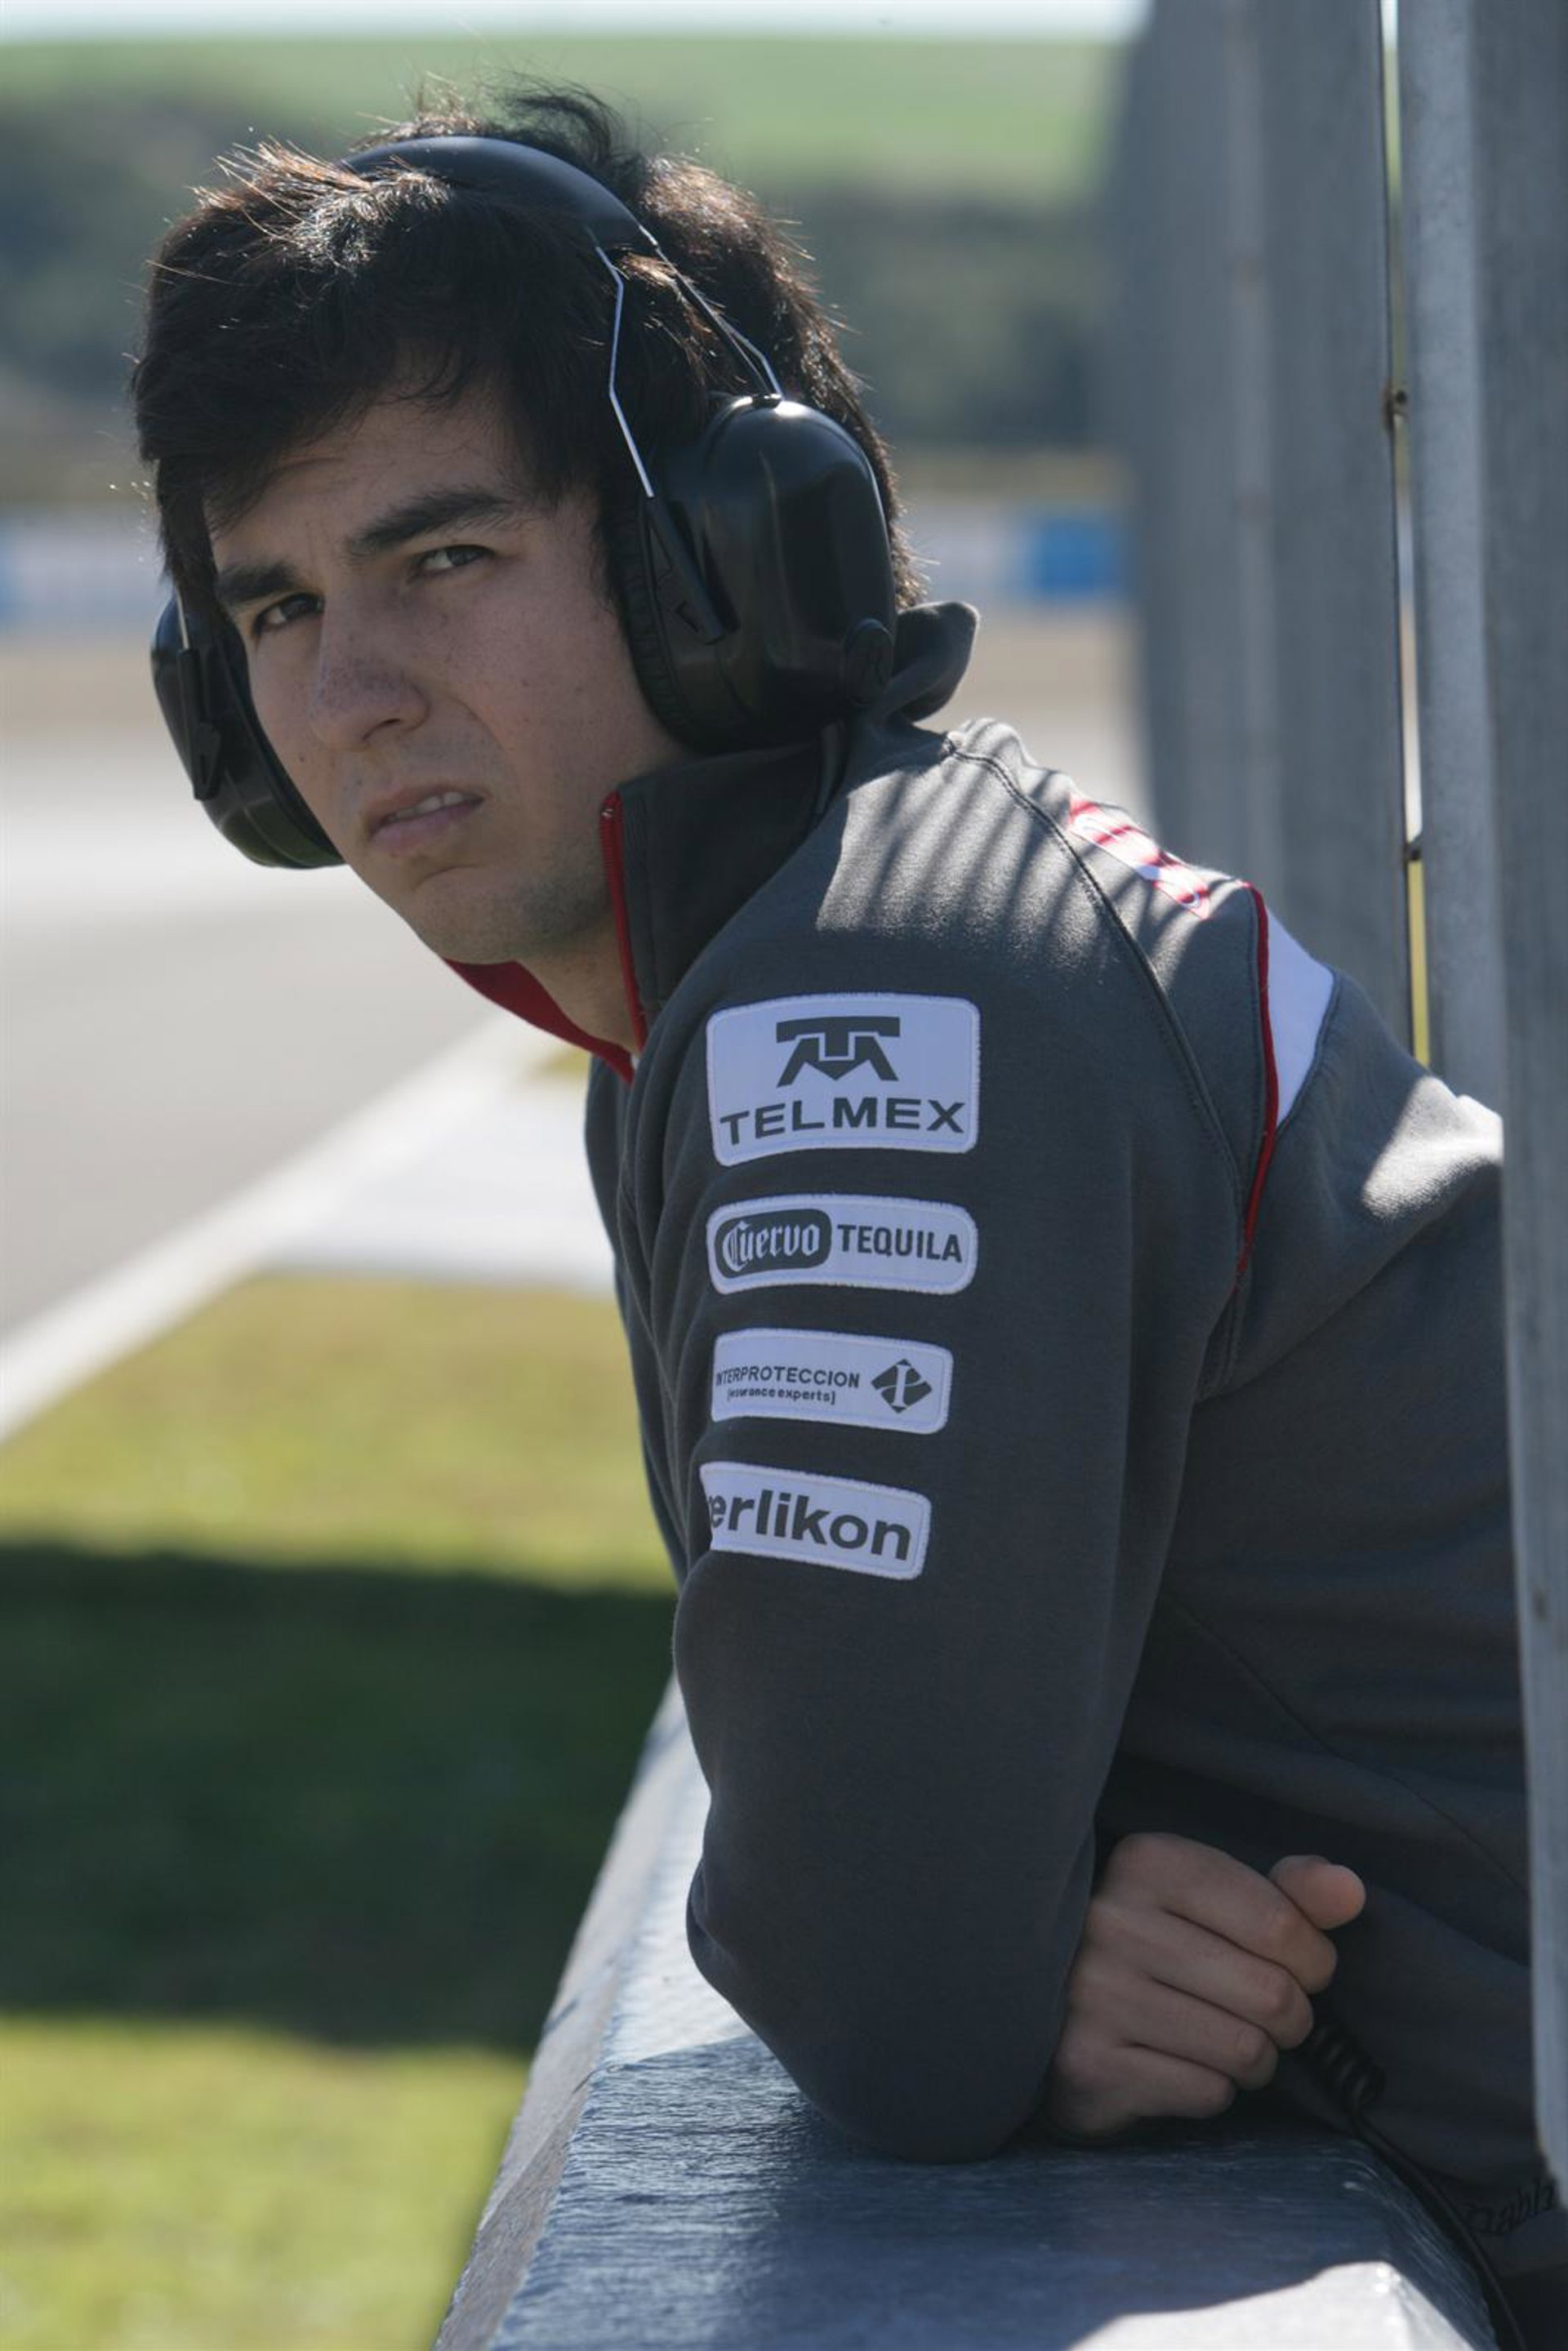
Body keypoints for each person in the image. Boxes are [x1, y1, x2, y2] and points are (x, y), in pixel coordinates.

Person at [133, 86, 1563, 2341]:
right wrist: (1030, 1927)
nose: (351, 694)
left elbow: (878, 1972)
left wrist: (983, 1944)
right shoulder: (828, 929)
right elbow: (913, 1921)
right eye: (278, 609)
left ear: (727, 553)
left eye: (446, 562)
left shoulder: (877, 1001)